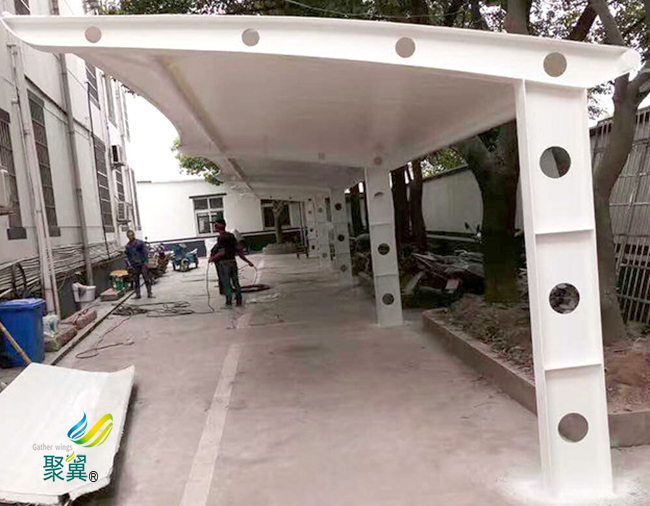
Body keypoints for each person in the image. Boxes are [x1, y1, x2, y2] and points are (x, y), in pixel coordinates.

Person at [209, 219, 254, 307]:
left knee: (226, 283)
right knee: (236, 282)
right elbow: (238, 251)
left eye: (216, 225)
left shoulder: (221, 238)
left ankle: (229, 301)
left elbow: (222, 252)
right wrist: (248, 262)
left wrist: (212, 258)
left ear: (220, 226)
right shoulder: (231, 236)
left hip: (224, 264)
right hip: (233, 262)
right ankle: (239, 300)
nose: (215, 227)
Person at [125, 229, 153, 299]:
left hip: (142, 263)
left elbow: (145, 252)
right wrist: (130, 264)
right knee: (136, 280)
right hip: (134, 265)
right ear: (127, 237)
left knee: (146, 279)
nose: (130, 237)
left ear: (133, 235)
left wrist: (146, 262)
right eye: (129, 236)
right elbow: (128, 256)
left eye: (131, 235)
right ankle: (138, 295)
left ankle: (149, 293)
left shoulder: (140, 243)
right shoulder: (127, 246)